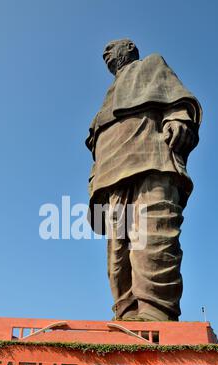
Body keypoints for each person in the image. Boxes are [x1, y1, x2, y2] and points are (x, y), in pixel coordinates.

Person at [86, 39, 202, 322]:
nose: (107, 55)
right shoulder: (108, 94)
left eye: (112, 48)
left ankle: (155, 313)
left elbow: (175, 97)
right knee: (118, 251)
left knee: (153, 234)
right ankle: (126, 314)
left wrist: (177, 117)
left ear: (130, 49)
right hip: (111, 172)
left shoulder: (151, 65)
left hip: (151, 158)